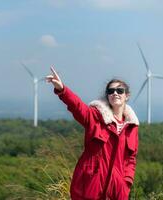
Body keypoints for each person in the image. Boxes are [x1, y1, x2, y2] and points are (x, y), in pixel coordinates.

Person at [46, 67, 139, 200]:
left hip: (116, 190)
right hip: (90, 185)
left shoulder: (131, 126)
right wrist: (62, 90)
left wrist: (126, 182)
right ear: (107, 95)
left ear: (127, 96)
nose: (115, 93)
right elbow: (78, 108)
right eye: (111, 91)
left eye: (120, 90)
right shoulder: (96, 116)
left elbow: (131, 158)